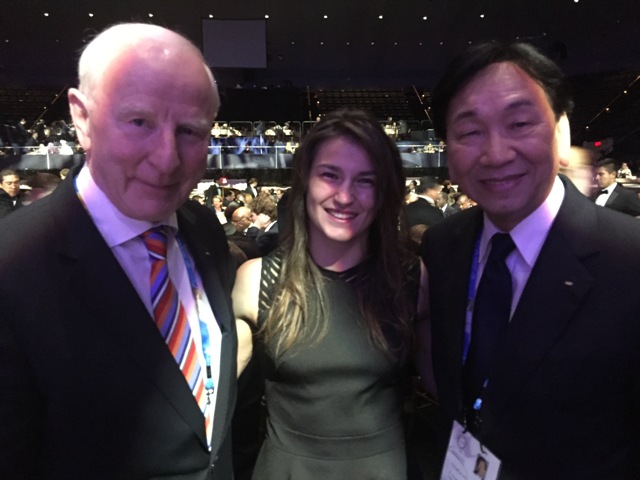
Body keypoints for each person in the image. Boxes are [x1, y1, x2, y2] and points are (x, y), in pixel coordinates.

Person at [0, 23, 237, 479]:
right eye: (139, 122)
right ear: (81, 118)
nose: (167, 158)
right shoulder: (13, 268)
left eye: (190, 130)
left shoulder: (202, 230)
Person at [419, 41, 640, 479]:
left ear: (562, 133)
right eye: (469, 132)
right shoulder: (443, 246)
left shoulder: (629, 258)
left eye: (519, 123)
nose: (496, 153)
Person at [232, 108, 427, 479]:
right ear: (305, 182)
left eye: (365, 181)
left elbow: (457, 395)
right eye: (330, 175)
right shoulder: (257, 280)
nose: (344, 196)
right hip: (287, 469)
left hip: (383, 469)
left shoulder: (412, 280)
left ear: (384, 192)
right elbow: (209, 402)